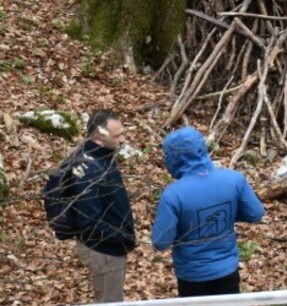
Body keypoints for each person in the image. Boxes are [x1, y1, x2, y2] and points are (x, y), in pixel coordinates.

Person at [151, 127, 264, 297]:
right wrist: (229, 214)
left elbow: (160, 241)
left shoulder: (173, 194)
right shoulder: (234, 179)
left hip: (192, 276)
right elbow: (255, 213)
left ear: (173, 157)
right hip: (227, 270)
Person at [71, 110, 136, 303]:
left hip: (107, 245)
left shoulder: (101, 156)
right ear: (98, 136)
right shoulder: (92, 168)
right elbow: (89, 220)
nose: (123, 140)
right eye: (117, 136)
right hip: (105, 249)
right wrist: (122, 238)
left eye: (123, 133)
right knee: (110, 300)